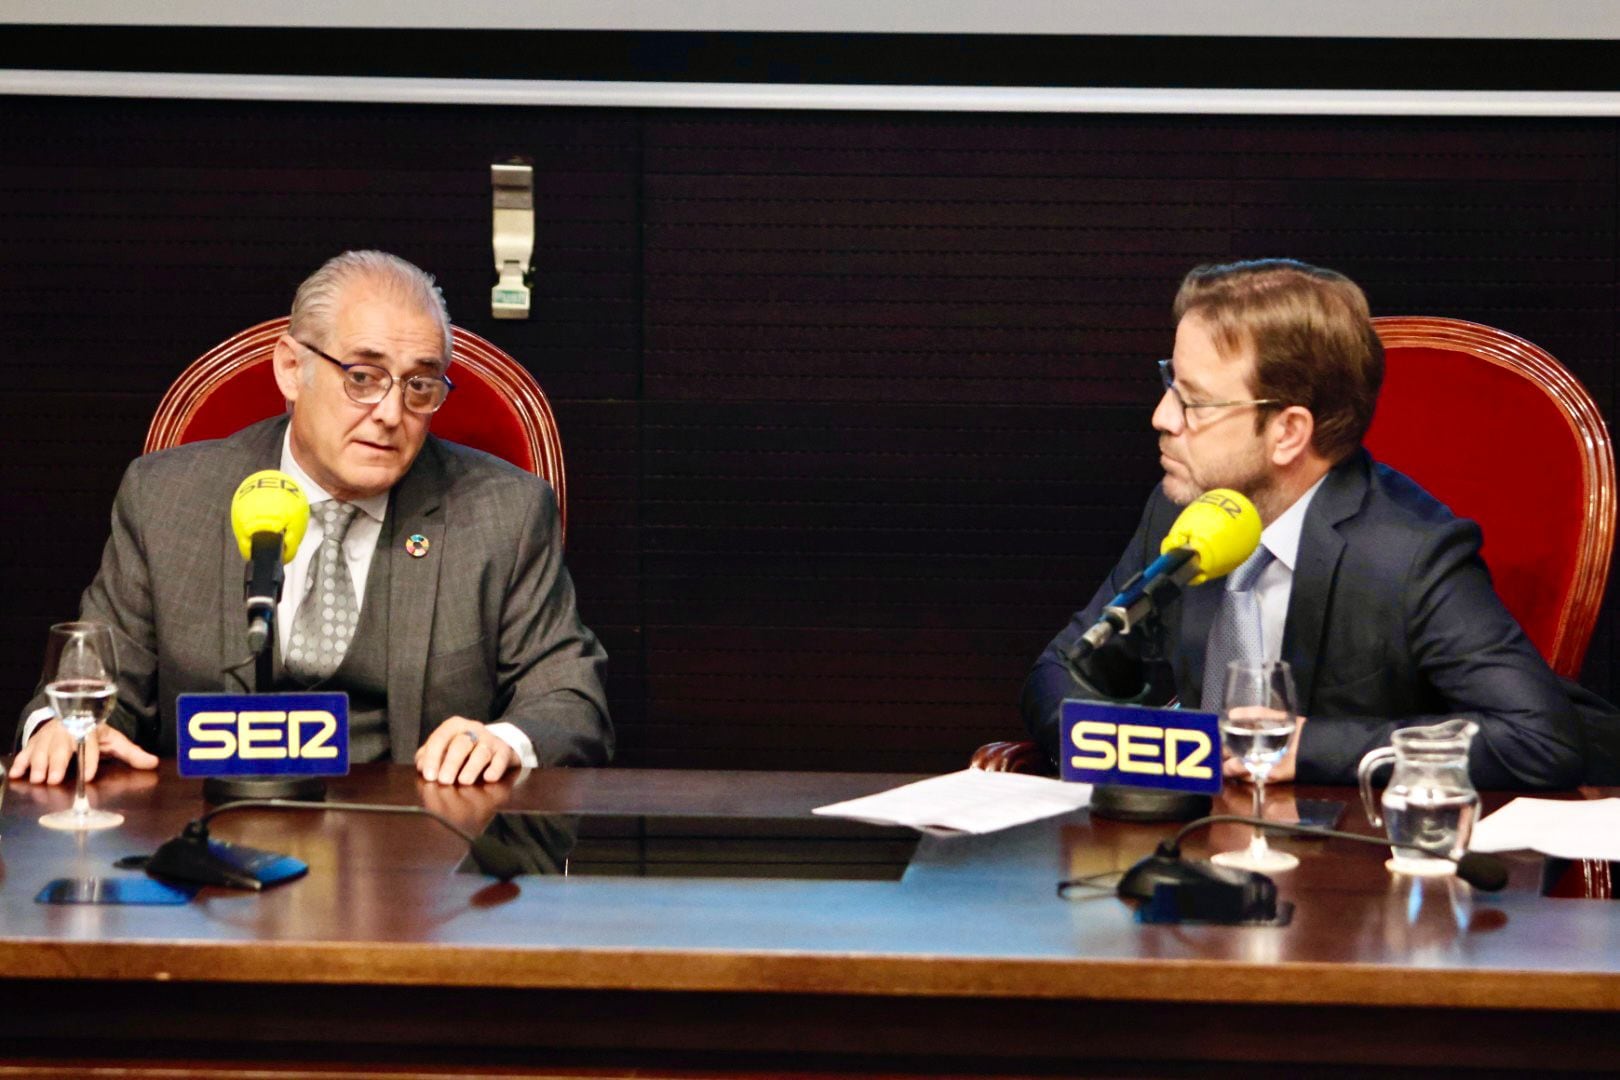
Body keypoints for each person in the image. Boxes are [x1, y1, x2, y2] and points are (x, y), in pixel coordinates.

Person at [13, 250, 611, 786]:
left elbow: (569, 697)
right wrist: (66, 729)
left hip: (419, 859)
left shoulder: (503, 511)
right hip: (205, 842)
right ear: (290, 369)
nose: (389, 412)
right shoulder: (168, 498)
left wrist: (503, 742)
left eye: (420, 386)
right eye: (363, 377)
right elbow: (93, 678)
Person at [1022, 259, 1586, 790]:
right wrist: (1146, 751)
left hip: (1346, 867)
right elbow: (1064, 671)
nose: (1163, 418)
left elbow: (1538, 738)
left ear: (1288, 432)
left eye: (1194, 402)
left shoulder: (1409, 553)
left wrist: (1306, 745)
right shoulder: (1182, 509)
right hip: (1188, 851)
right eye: (1170, 383)